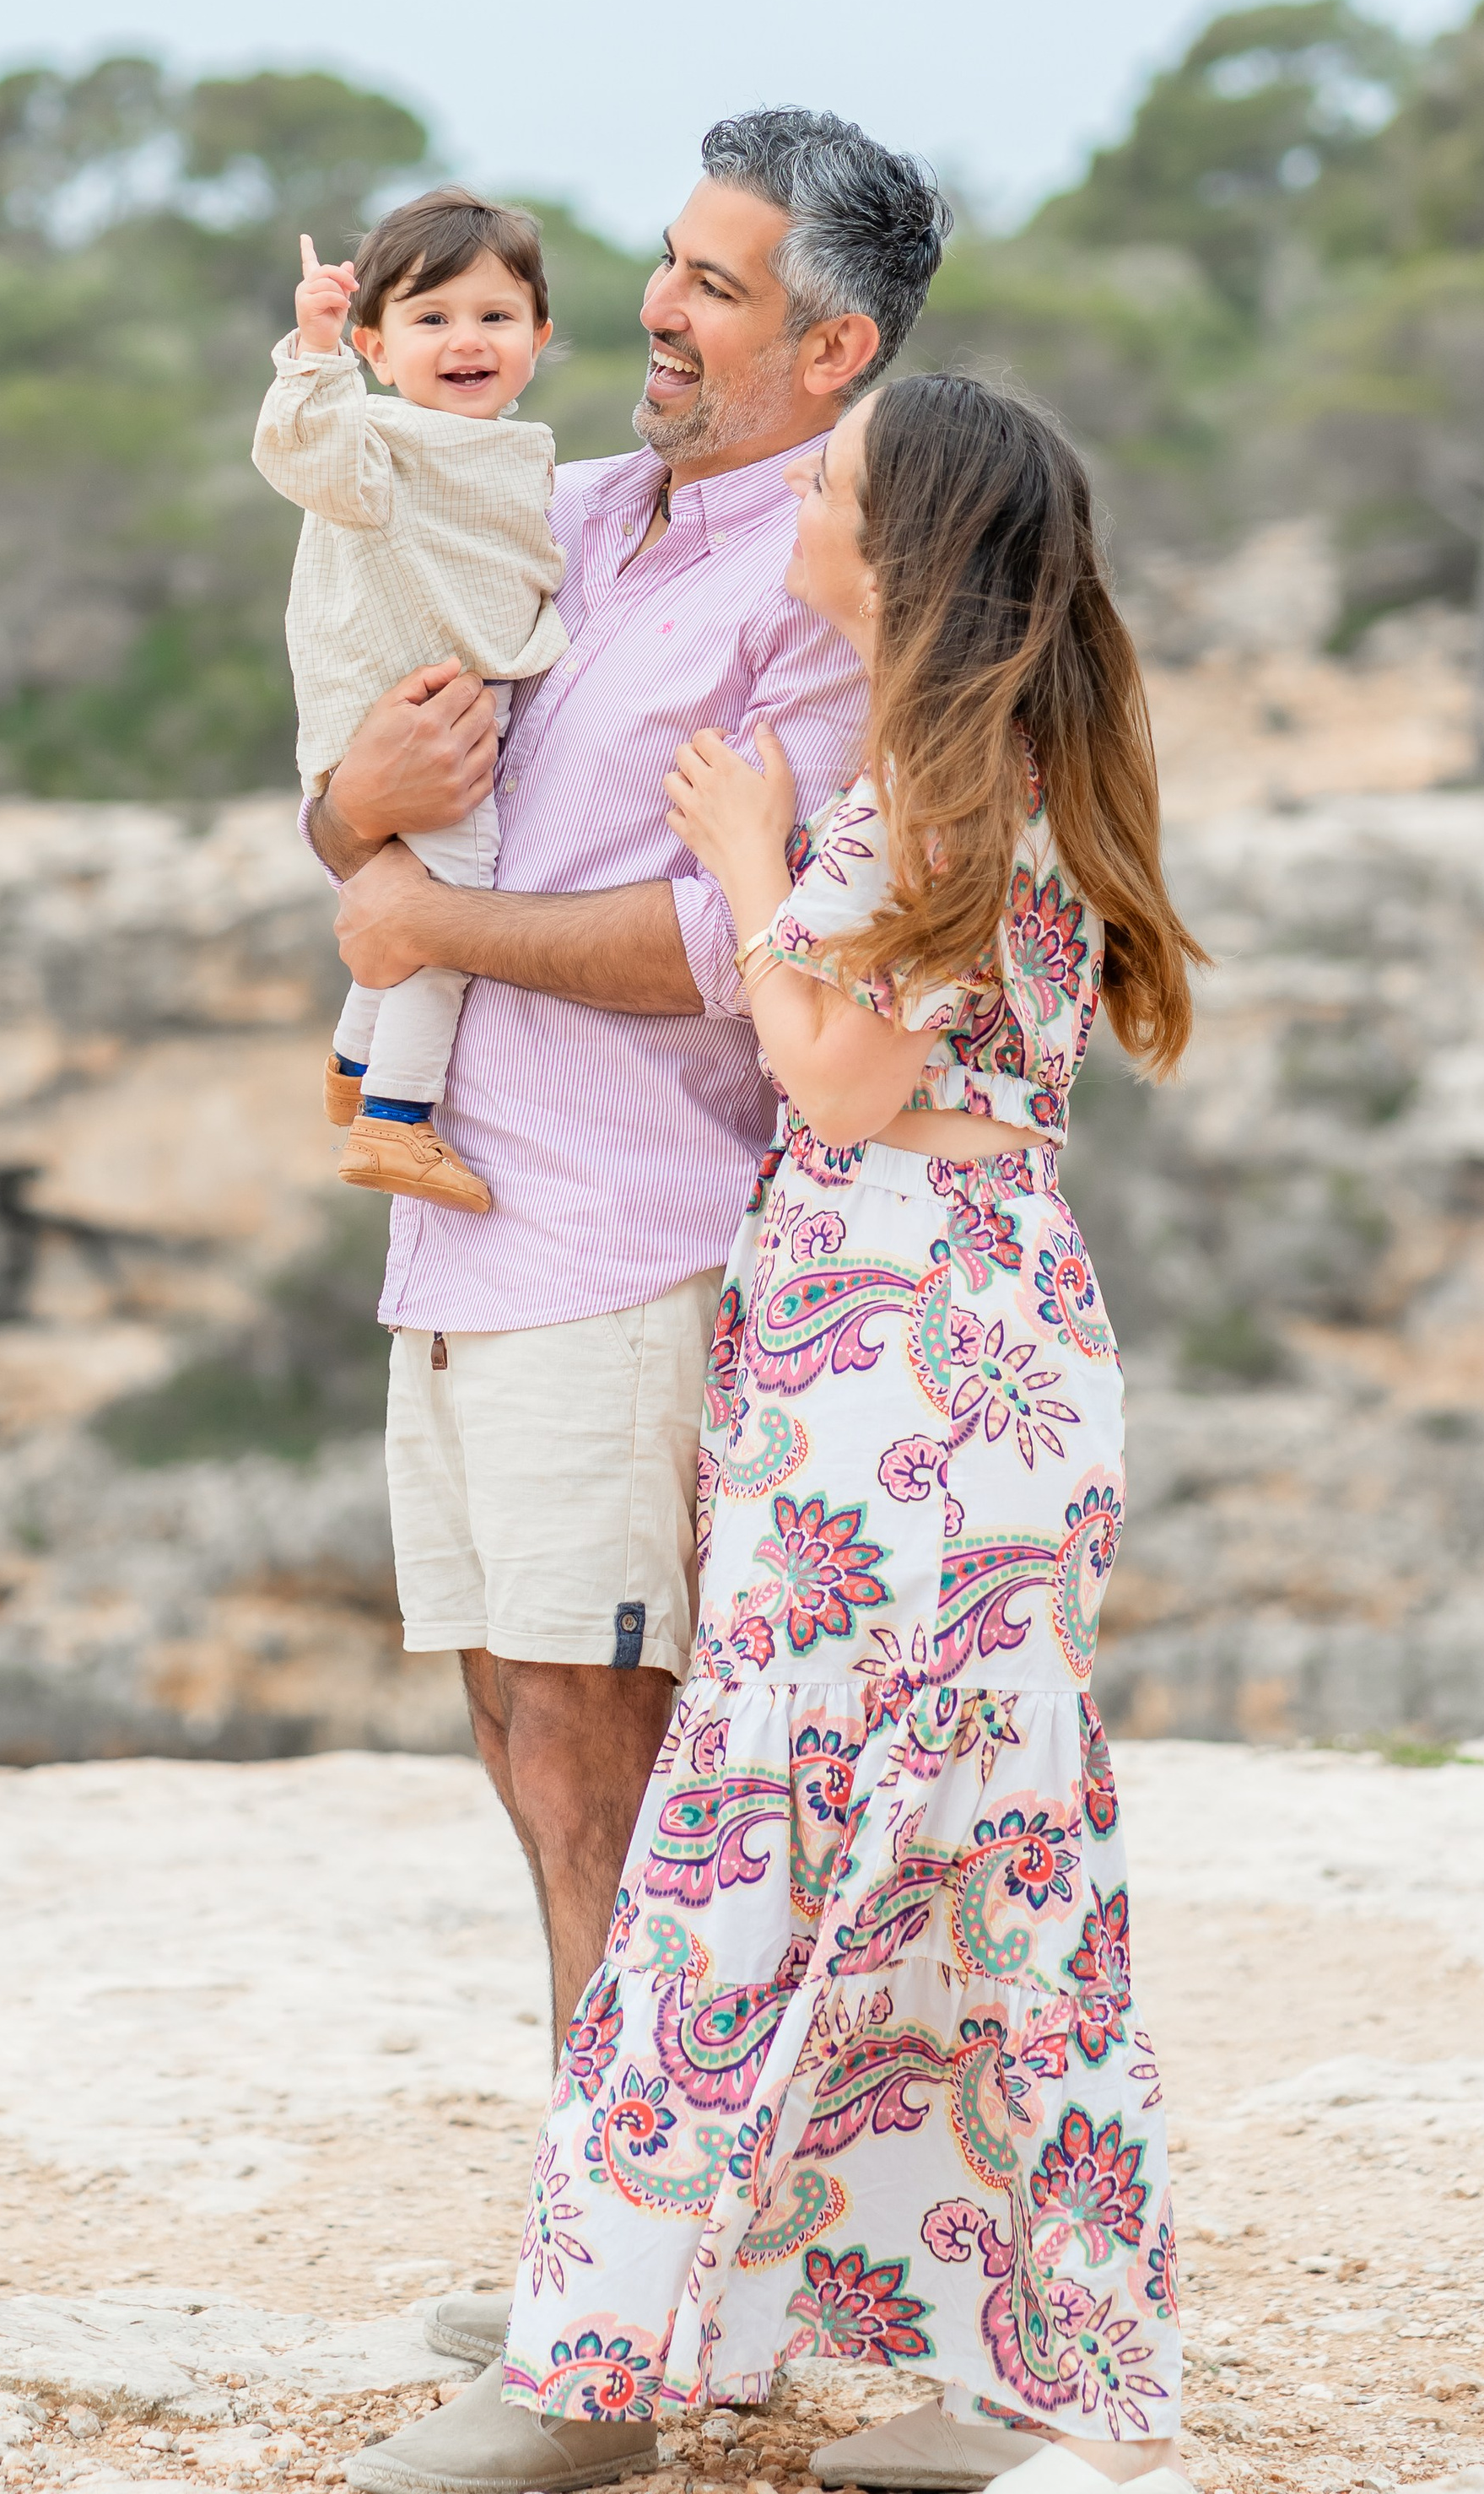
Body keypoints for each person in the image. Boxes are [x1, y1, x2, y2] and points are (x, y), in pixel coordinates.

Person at [354, 375, 1206, 2494]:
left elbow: (829, 1081)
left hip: (913, 1345)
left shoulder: (940, 780)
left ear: (896, 544)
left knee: (775, 1825)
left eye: (826, 486)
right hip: (921, 1330)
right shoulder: (981, 761)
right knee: (938, 1836)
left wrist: (745, 859)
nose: (797, 504)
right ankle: (970, 2352)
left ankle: (614, 2353)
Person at [307, 110, 946, 2210]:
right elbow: (372, 778)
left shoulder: (829, 590)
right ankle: (598, 2236)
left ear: (832, 347)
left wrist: (419, 923)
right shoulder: (554, 505)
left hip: (631, 1236)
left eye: (716, 285)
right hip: (460, 1229)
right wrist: (346, 816)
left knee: (613, 1763)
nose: (656, 313)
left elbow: (725, 943)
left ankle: (628, 2274)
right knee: (519, 1733)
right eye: (665, 264)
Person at [253, 190, 569, 1215]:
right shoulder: (379, 444)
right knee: (447, 913)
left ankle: (351, 1068)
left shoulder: (518, 454)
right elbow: (304, 450)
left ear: (539, 337)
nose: (465, 341)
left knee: (401, 894)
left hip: (440, 714)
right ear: (379, 348)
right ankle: (396, 1120)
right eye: (430, 320)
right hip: (406, 719)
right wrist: (313, 352)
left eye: (493, 316)